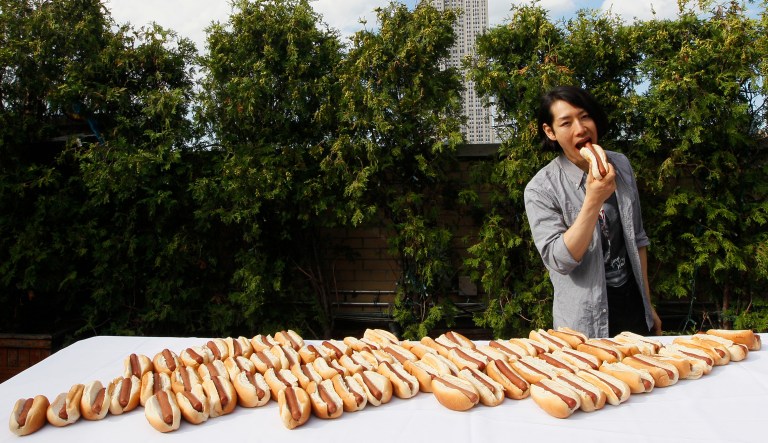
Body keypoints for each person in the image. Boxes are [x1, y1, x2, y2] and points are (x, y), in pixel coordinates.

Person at [523, 85, 662, 338]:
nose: (580, 128)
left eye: (585, 116)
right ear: (550, 131)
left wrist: (647, 305)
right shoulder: (540, 189)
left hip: (632, 310)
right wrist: (593, 200)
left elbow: (638, 239)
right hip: (583, 324)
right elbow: (559, 260)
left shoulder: (620, 165)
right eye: (566, 123)